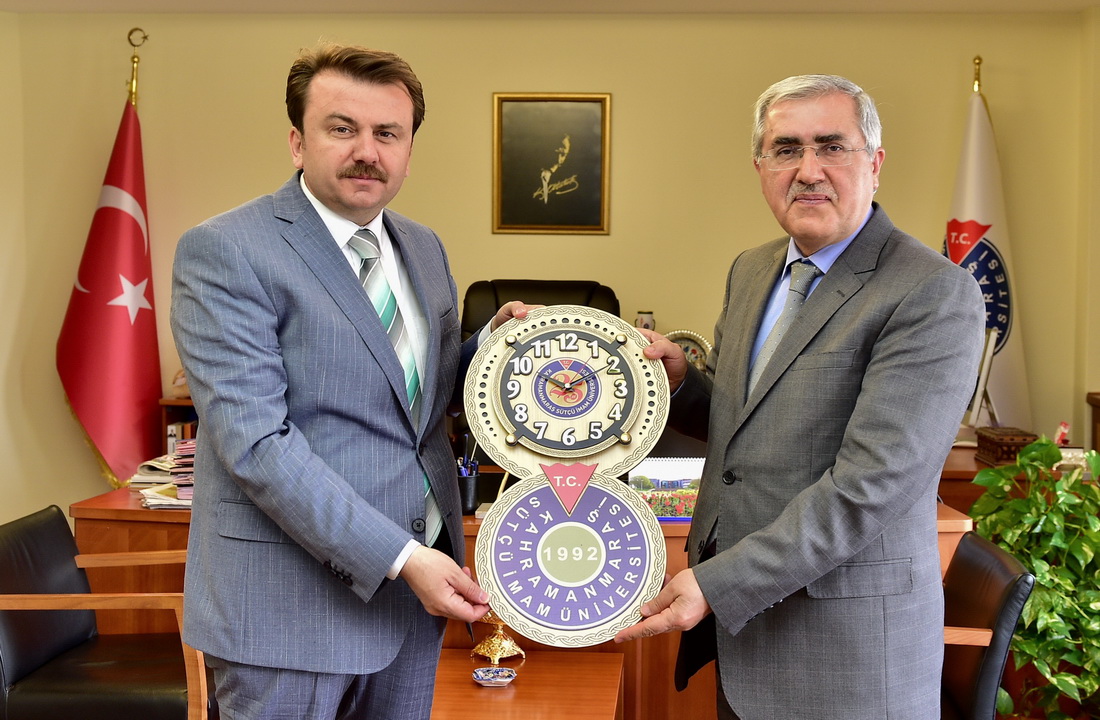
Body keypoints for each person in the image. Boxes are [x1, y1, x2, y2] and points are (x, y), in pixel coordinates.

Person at [170, 44, 530, 720]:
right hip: (288, 614)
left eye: (388, 133)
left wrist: (499, 351)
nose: (367, 151)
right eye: (342, 128)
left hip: (410, 607)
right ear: (297, 142)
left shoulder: (422, 246)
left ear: (408, 150)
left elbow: (413, 397)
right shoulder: (227, 249)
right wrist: (402, 557)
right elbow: (257, 443)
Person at [614, 75, 986, 719]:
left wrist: (718, 582)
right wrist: (679, 383)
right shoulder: (752, 269)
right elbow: (748, 421)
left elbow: (869, 488)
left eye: (831, 146)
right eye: (786, 149)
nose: (808, 171)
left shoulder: (932, 292)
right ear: (761, 167)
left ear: (875, 163)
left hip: (848, 660)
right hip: (742, 644)